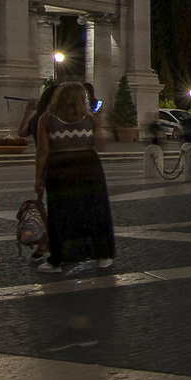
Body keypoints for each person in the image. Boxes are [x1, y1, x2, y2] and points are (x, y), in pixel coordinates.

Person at [33, 82, 114, 271]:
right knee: (95, 210)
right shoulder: (91, 119)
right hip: (89, 166)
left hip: (60, 167)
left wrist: (38, 177)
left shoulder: (46, 119)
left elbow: (43, 150)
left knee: (60, 213)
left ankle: (58, 259)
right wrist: (99, 125)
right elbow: (100, 146)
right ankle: (102, 255)